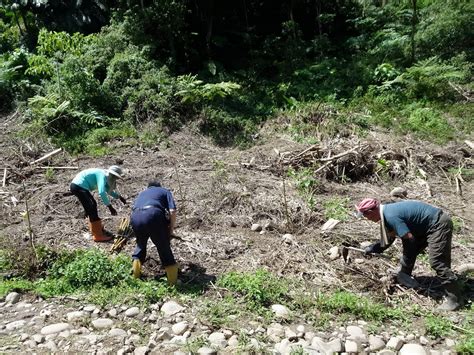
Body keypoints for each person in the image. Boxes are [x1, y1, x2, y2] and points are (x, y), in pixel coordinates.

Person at [356, 198, 463, 311]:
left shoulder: (390, 216)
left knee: (437, 262)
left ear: (371, 212)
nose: (366, 218)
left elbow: (409, 240)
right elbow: (390, 238)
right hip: (426, 226)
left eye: (365, 216)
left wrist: (406, 257)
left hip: (438, 224)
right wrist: (373, 248)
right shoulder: (385, 214)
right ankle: (404, 274)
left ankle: (454, 299)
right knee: (411, 250)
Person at [130, 180, 178, 285]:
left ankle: (135, 279)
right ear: (159, 186)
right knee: (163, 247)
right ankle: (173, 283)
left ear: (148, 187)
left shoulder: (142, 193)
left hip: (135, 216)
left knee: (140, 245)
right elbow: (172, 211)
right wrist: (170, 229)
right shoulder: (164, 191)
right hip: (153, 214)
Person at [70, 165, 127, 242]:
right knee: (92, 206)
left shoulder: (106, 177)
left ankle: (95, 229)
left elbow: (107, 190)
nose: (116, 179)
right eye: (116, 177)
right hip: (78, 186)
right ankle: (98, 236)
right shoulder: (102, 175)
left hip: (80, 187)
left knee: (92, 206)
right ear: (112, 175)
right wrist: (110, 207)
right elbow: (102, 192)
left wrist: (119, 197)